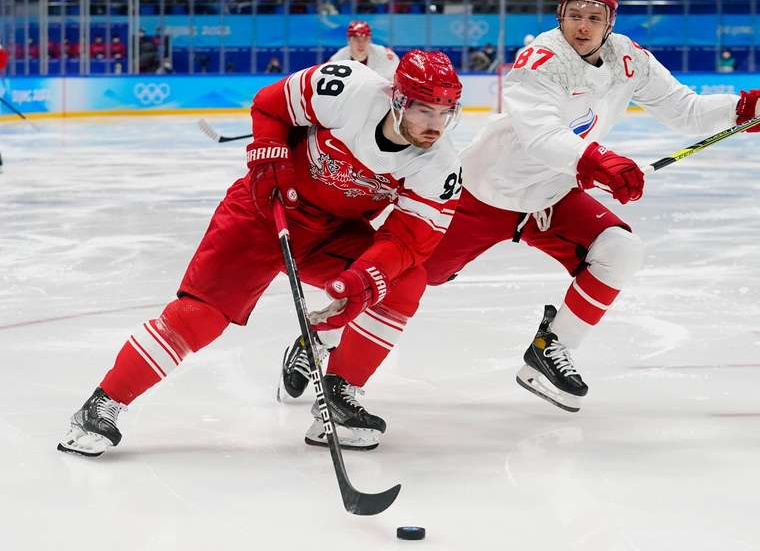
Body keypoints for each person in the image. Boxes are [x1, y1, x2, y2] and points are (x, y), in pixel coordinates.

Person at [421, 0, 760, 413]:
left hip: (551, 196)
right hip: (484, 193)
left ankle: (551, 347)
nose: (583, 26)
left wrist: (749, 109)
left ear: (610, 21)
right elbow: (540, 136)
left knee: (620, 251)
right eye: (574, 15)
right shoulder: (540, 59)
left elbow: (685, 109)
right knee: (416, 275)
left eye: (594, 17)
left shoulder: (628, 58)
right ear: (560, 16)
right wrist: (598, 161)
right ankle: (330, 330)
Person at [57, 49, 464, 457]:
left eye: (445, 113)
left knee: (403, 281)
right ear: (398, 100)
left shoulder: (441, 165)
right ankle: (101, 405)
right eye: (425, 111)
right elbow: (270, 105)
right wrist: (271, 158)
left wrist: (363, 279)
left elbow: (410, 239)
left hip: (331, 233)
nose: (435, 126)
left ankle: (340, 399)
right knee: (201, 317)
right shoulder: (346, 90)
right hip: (262, 212)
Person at [329, 20, 399, 80]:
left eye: (365, 39)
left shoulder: (385, 54)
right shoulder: (338, 59)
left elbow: (393, 79)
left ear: (370, 40)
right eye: (356, 39)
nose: (361, 43)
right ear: (349, 40)